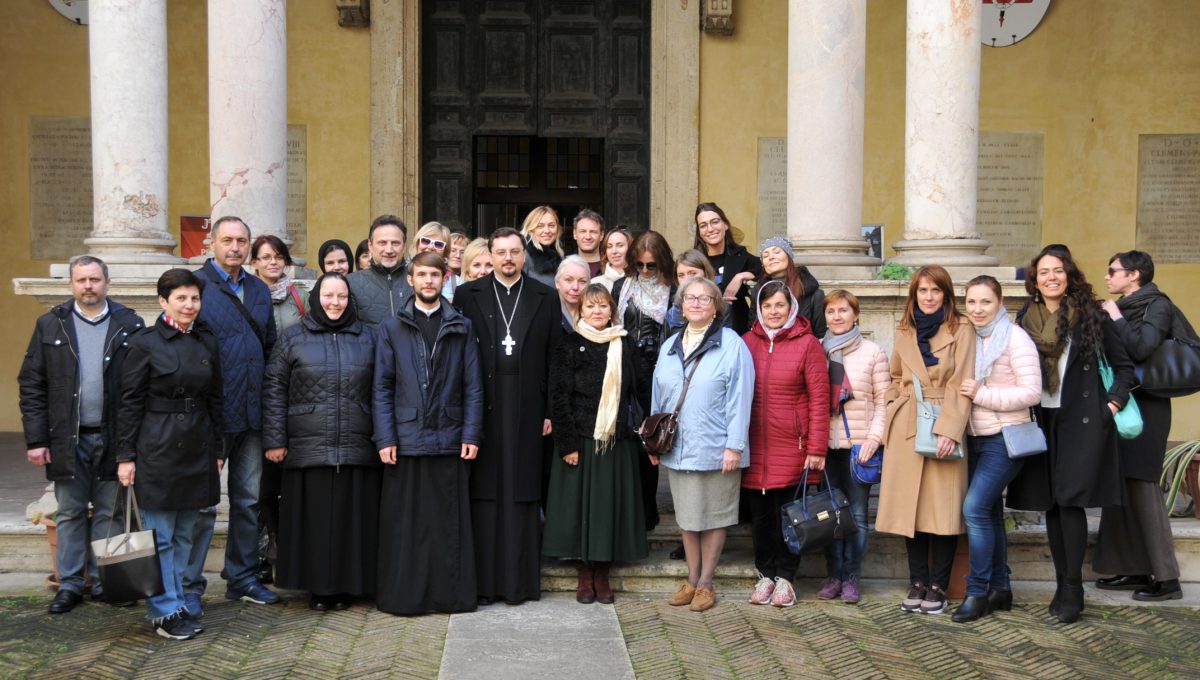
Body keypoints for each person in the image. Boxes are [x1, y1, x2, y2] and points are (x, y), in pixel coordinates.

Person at [1008, 244, 1135, 624]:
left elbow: (1124, 368)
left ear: (1069, 274)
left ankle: (1073, 588)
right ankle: (1062, 584)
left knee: (1071, 501)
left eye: (1058, 270)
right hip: (1039, 418)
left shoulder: (1091, 314)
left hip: (1081, 419)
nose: (1051, 277)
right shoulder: (1023, 318)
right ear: (1035, 278)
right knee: (1050, 502)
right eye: (1044, 271)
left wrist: (1108, 408)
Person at [19, 256, 145, 614]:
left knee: (110, 512)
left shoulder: (128, 324)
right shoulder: (51, 325)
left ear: (107, 282)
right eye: (81, 280)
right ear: (71, 284)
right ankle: (71, 585)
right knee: (71, 511)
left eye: (94, 279)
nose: (88, 286)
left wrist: (132, 445)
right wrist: (36, 439)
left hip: (114, 437)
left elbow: (139, 386)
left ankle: (108, 584)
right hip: (66, 439)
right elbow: (32, 384)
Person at [454, 227, 561, 605]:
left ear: (523, 255)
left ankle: (519, 584)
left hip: (528, 403)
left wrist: (550, 410)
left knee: (521, 489)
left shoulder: (545, 296)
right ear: (492, 254)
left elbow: (554, 357)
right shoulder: (468, 294)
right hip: (482, 402)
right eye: (501, 252)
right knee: (484, 491)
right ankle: (485, 584)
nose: (508, 259)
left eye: (515, 252)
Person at [261, 273, 380, 611]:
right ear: (316, 298)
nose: (335, 302)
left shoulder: (368, 338)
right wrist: (274, 439)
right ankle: (318, 588)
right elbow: (273, 391)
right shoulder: (292, 338)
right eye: (328, 295)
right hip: (307, 446)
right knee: (314, 523)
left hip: (357, 445)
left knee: (350, 521)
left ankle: (349, 586)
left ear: (350, 300)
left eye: (341, 296)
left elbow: (382, 390)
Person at [116, 268, 224, 640]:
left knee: (184, 535)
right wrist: (125, 456)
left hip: (197, 446)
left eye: (194, 298)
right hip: (156, 447)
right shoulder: (144, 344)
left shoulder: (207, 342)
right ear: (163, 302)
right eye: (181, 298)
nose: (189, 305)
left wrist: (219, 449)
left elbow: (216, 399)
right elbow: (128, 403)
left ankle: (178, 602)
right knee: (160, 535)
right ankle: (163, 612)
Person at [374, 252, 484, 615]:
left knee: (446, 524)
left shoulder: (462, 326)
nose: (428, 281)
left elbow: (473, 386)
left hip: (450, 438)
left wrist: (471, 433)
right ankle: (407, 596)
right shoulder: (392, 328)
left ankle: (449, 596)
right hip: (405, 440)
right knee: (408, 526)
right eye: (421, 274)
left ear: (444, 278)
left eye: (434, 275)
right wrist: (386, 438)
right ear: (411, 279)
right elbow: (382, 387)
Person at [188, 216, 280, 613]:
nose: (236, 247)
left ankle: (240, 577)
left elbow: (272, 348)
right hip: (211, 415)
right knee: (202, 504)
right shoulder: (194, 286)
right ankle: (189, 585)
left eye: (242, 241)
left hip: (253, 413)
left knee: (247, 500)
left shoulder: (259, 289)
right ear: (211, 243)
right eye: (227, 240)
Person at [652, 277, 754, 612]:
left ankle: (707, 582)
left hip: (717, 447)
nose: (696, 303)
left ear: (716, 306)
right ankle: (691, 579)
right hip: (679, 448)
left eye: (704, 298)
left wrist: (735, 445)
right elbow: (660, 396)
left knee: (714, 517)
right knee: (688, 518)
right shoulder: (670, 345)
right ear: (681, 305)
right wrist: (654, 442)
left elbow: (741, 398)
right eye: (690, 298)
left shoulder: (731, 344)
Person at [876, 265, 974, 616]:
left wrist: (950, 429)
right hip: (907, 425)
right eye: (922, 291)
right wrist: (891, 404)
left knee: (943, 511)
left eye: (935, 291)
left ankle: (938, 585)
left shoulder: (961, 329)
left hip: (942, 423)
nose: (929, 297)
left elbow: (961, 381)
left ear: (946, 294)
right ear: (914, 294)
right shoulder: (906, 329)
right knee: (910, 511)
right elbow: (894, 375)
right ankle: (916, 581)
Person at [1093, 250, 1191, 602]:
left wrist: (1115, 316)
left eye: (1113, 271)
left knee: (1143, 487)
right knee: (1121, 484)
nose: (1107, 277)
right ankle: (1132, 568)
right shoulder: (1132, 306)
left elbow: (1141, 348)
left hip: (1147, 408)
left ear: (1133, 275)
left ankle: (1167, 579)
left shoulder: (1156, 305)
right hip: (1125, 403)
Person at [544, 284, 649, 605]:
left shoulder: (625, 344)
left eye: (603, 306)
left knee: (608, 508)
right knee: (579, 510)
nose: (598, 312)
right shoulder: (569, 345)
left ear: (612, 309)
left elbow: (640, 388)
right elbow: (558, 397)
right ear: (581, 311)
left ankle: (602, 573)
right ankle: (583, 575)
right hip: (581, 440)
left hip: (617, 441)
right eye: (591, 307)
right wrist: (567, 444)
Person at [951, 276, 1041, 623]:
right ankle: (1001, 589)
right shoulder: (968, 336)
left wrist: (982, 395)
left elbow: (1032, 391)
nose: (977, 309)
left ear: (1000, 302)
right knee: (988, 513)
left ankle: (976, 592)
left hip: (1005, 437)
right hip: (974, 436)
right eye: (971, 302)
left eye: (985, 302)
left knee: (973, 509)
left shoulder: (1015, 338)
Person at [741, 280, 829, 608]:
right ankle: (765, 574)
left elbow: (819, 399)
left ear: (790, 306)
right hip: (754, 445)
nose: (773, 312)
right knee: (761, 519)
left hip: (793, 446)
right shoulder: (747, 342)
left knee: (789, 517)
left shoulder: (807, 344)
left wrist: (817, 447)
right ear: (759, 310)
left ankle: (786, 579)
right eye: (767, 306)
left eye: (779, 305)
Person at [820, 290, 889, 604]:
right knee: (830, 515)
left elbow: (884, 403)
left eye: (843, 310)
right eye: (831, 311)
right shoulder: (817, 350)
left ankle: (851, 579)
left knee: (858, 516)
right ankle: (833, 576)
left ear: (855, 315)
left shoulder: (873, 352)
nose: (837, 316)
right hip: (826, 448)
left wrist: (873, 441)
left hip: (859, 447)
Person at [250, 234, 307, 585]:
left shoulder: (302, 297)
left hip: (296, 396)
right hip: (260, 394)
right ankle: (261, 552)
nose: (273, 262)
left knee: (288, 480)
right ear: (254, 262)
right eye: (265, 257)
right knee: (262, 485)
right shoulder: (248, 298)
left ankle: (286, 551)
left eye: (278, 256)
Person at [613, 230, 676, 531]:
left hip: (659, 369)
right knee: (629, 437)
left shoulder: (673, 290)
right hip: (626, 367)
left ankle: (649, 510)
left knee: (653, 439)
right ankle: (632, 509)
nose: (646, 271)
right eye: (640, 265)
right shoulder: (621, 286)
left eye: (652, 265)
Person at [693, 202, 761, 334]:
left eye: (715, 222)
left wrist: (740, 276)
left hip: (737, 328)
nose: (710, 229)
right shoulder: (695, 260)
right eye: (703, 225)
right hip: (703, 329)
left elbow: (765, 266)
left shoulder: (740, 255)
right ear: (699, 232)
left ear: (726, 225)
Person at [347, 215, 413, 327]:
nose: (389, 250)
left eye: (395, 243)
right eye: (382, 243)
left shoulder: (418, 280)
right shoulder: (351, 283)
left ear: (404, 246)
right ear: (370, 246)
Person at [758, 235, 826, 337]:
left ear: (789, 256)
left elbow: (820, 334)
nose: (771, 257)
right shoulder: (758, 291)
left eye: (777, 252)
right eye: (765, 256)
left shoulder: (813, 293)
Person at [521, 205, 564, 287]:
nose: (547, 231)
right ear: (531, 228)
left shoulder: (557, 255)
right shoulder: (524, 255)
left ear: (557, 229)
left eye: (551, 225)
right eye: (540, 226)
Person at [555, 255, 592, 334]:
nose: (575, 287)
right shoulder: (546, 312)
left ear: (589, 284)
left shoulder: (595, 312)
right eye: (568, 280)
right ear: (557, 283)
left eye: (582, 281)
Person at [592, 227, 631, 291]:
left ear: (630, 248)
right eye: (609, 246)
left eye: (620, 245)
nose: (614, 251)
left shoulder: (640, 282)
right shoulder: (595, 284)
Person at [572, 209, 605, 278]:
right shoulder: (565, 265)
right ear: (575, 234)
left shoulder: (611, 267)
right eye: (583, 231)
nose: (588, 237)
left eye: (593, 232)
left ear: (601, 235)